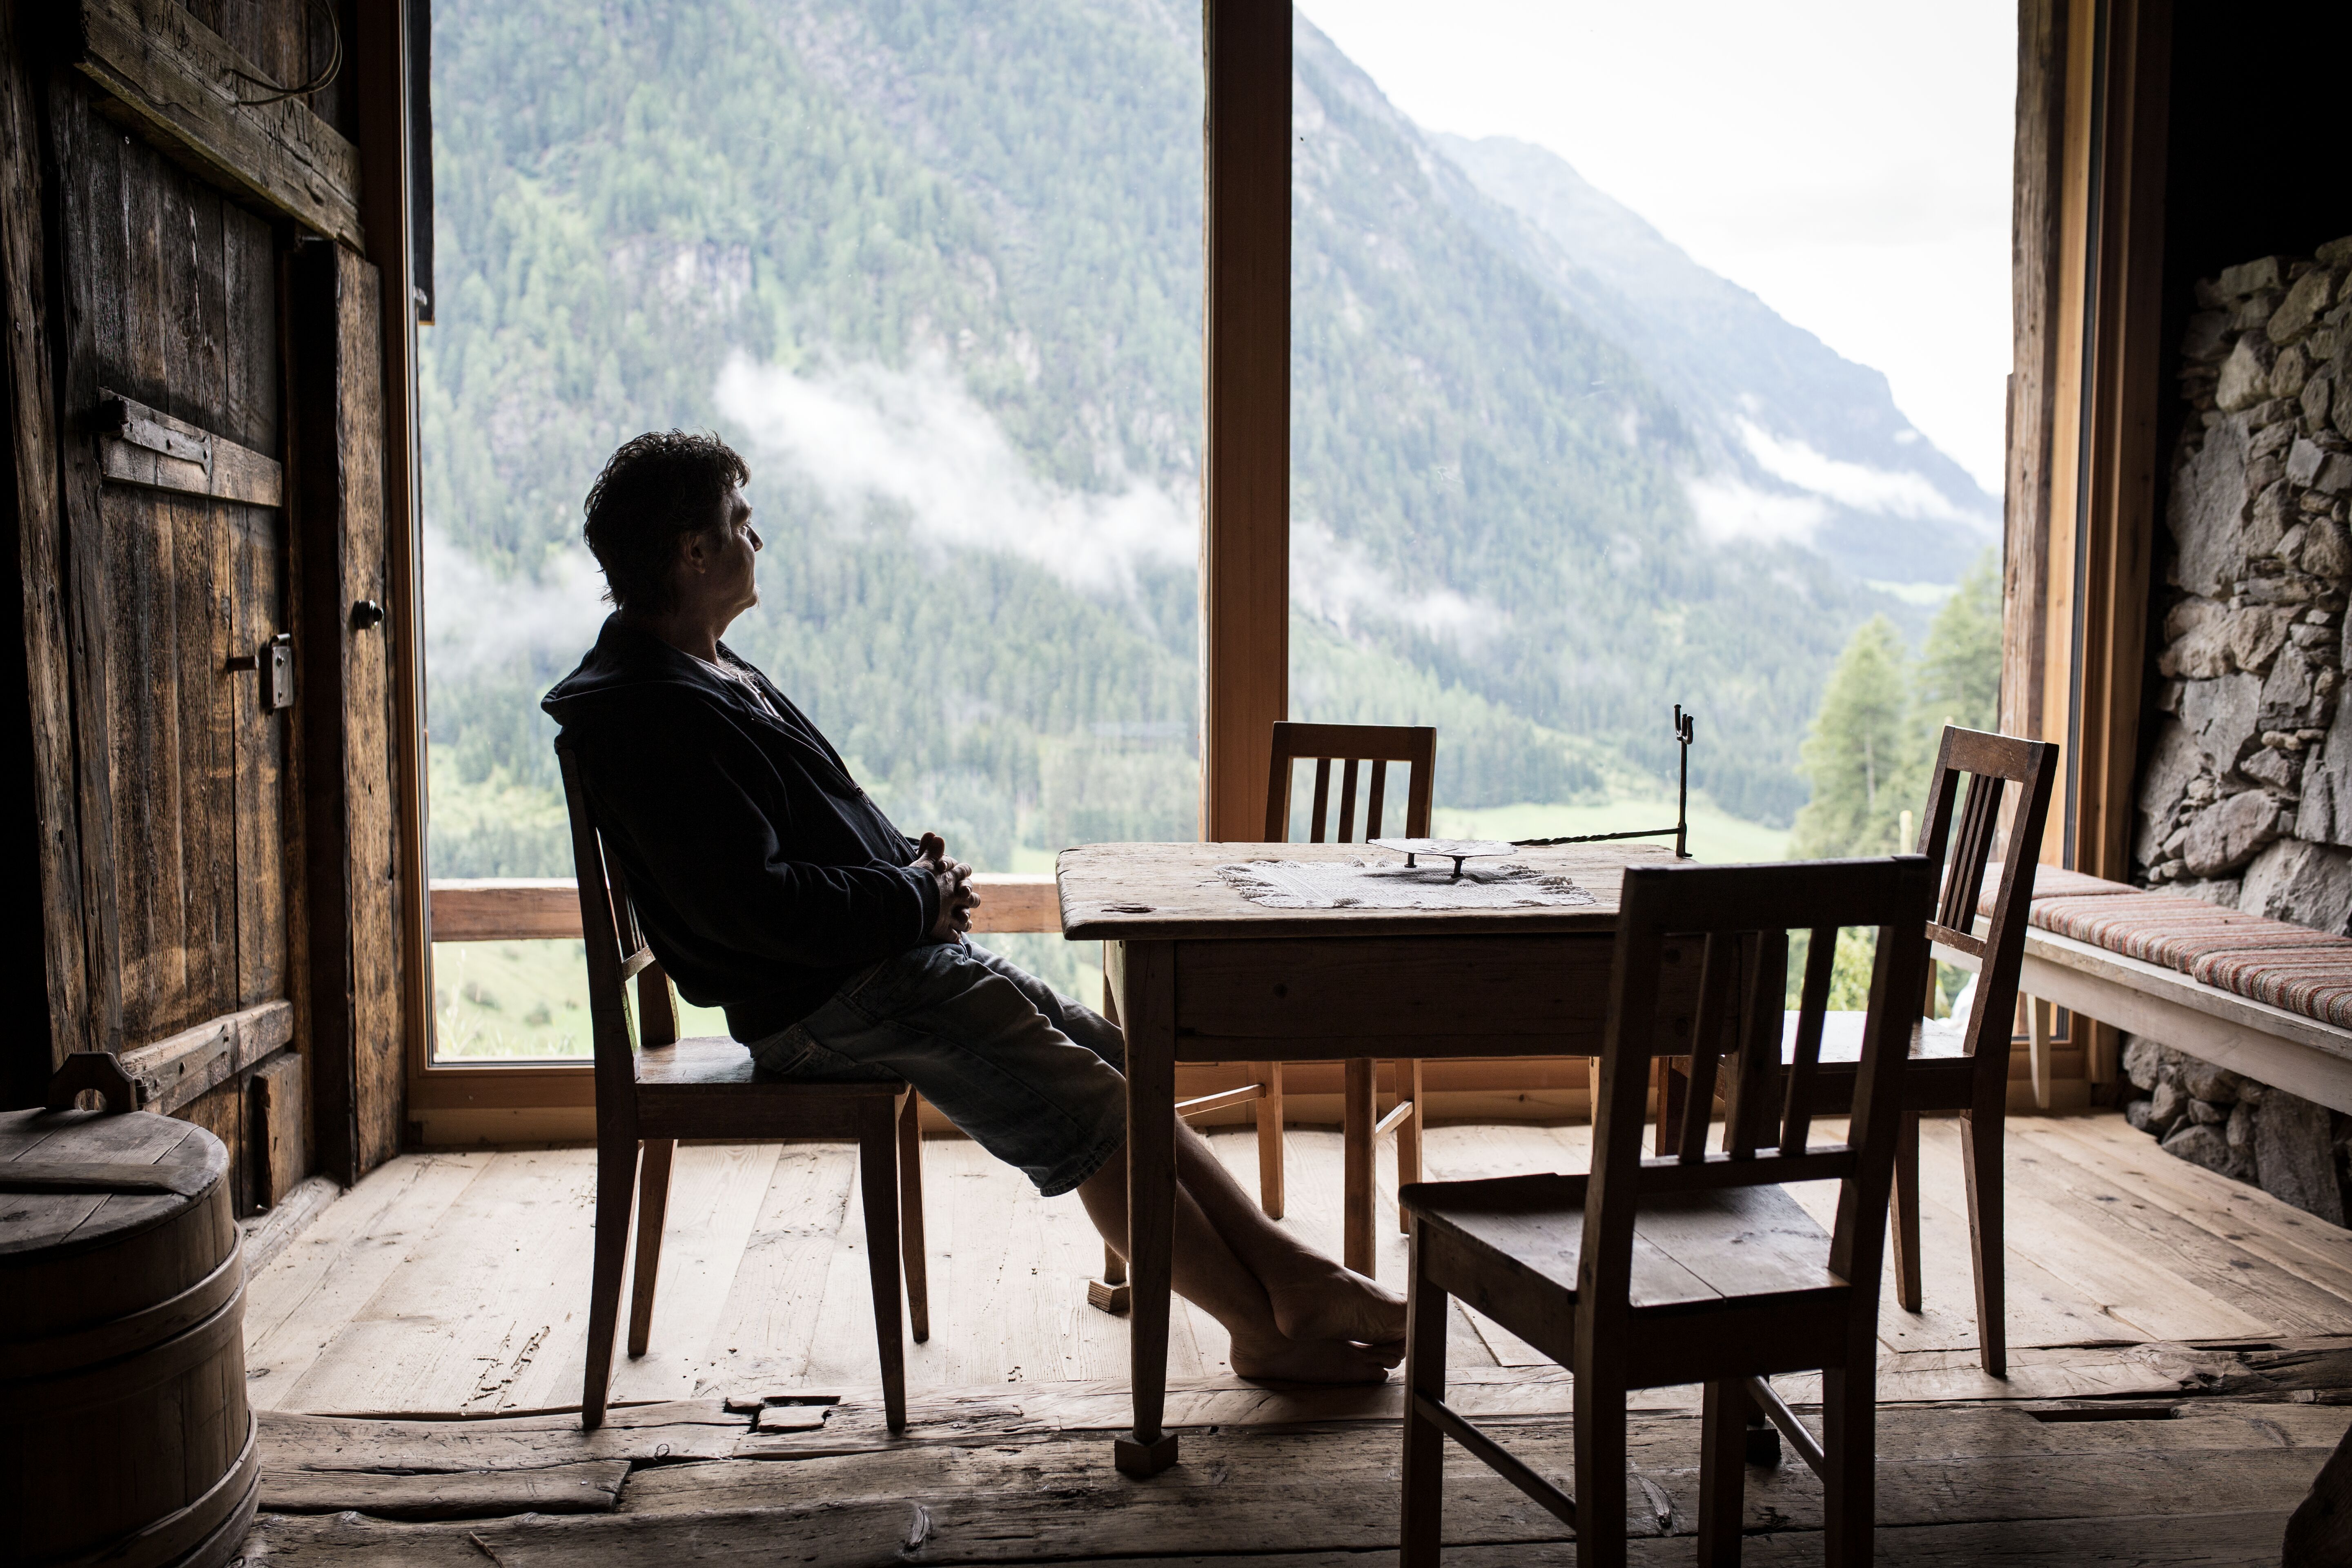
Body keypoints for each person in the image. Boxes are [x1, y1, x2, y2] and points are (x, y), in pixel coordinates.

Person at [543, 430, 1404, 1381]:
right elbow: (756, 908)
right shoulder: (650, 715)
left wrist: (916, 876)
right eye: (742, 524)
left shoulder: (711, 669)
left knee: (1116, 1057)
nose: (760, 541)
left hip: (877, 969)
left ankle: (1291, 1275)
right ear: (693, 552)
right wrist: (914, 898)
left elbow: (802, 837)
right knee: (1092, 1104)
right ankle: (1264, 1324)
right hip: (819, 1008)